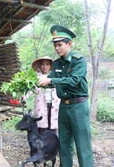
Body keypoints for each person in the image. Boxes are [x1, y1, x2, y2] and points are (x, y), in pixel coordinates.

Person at [38, 25, 94, 167]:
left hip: (79, 107)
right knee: (64, 144)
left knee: (83, 145)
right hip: (63, 107)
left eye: (60, 45)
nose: (57, 48)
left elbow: (74, 80)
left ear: (69, 44)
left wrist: (51, 80)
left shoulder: (78, 61)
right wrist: (34, 83)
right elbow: (49, 81)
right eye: (55, 46)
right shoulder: (56, 63)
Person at [31, 56, 60, 136]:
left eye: (47, 64)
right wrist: (22, 96)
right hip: (41, 104)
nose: (45, 66)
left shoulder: (55, 77)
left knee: (53, 124)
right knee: (42, 125)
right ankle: (43, 145)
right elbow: (30, 89)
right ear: (40, 66)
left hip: (54, 104)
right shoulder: (36, 78)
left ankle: (54, 145)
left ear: (51, 66)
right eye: (43, 64)